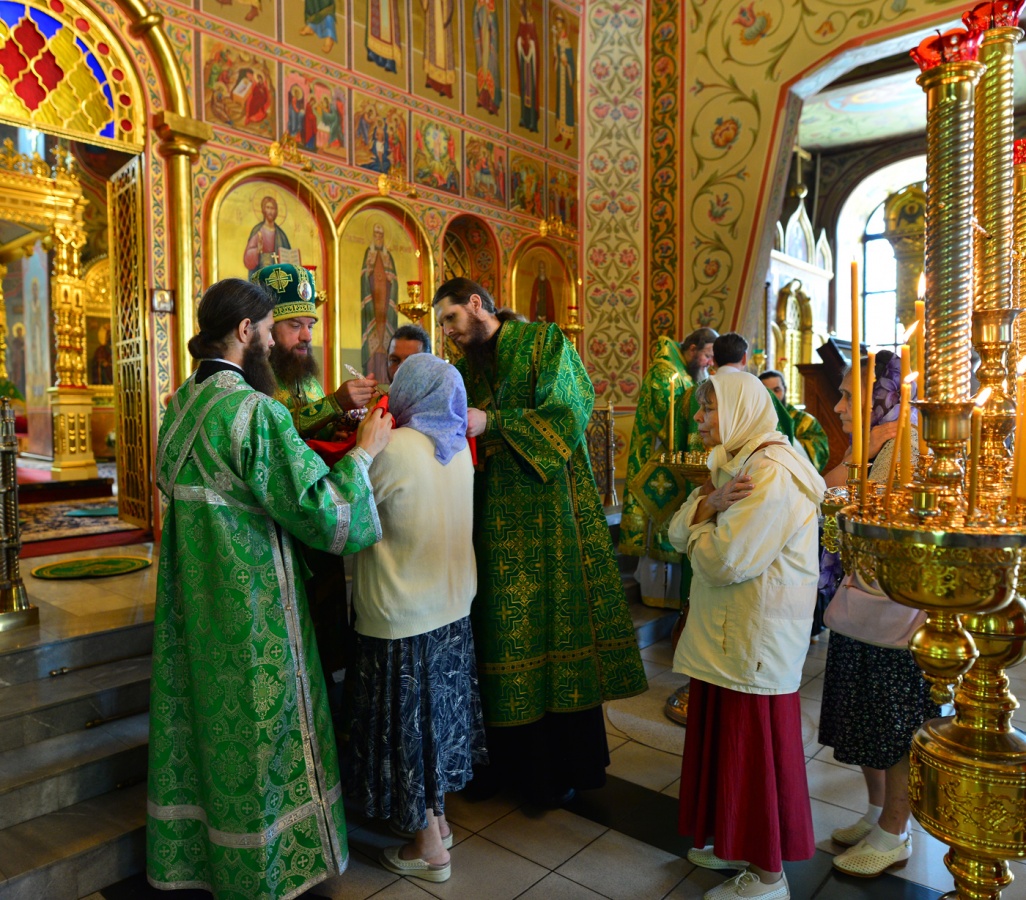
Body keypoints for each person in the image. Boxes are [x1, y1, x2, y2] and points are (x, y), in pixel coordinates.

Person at [146, 278, 392, 900]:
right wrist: (363, 455)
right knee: (261, 734)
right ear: (246, 331)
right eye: (264, 327)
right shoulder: (254, 411)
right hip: (254, 607)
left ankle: (206, 860)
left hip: (195, 606)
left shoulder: (179, 406)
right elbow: (322, 510)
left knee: (205, 728)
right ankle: (268, 870)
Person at [432, 277, 647, 807]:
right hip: (486, 527)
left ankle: (555, 773)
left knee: (552, 633)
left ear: (476, 306)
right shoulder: (463, 371)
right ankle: (503, 769)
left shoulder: (545, 344)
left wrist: (494, 422)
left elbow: (569, 413)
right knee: (496, 638)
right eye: (442, 326)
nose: (449, 334)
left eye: (451, 320)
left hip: (549, 524)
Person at [668, 372, 825, 900]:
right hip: (728, 632)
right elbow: (676, 531)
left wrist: (699, 523)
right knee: (725, 741)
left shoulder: (770, 472)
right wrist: (707, 510)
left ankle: (768, 876)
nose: (698, 419)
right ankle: (734, 841)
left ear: (737, 410)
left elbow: (725, 561)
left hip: (755, 636)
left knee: (755, 750)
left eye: (707, 409)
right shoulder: (732, 463)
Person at [344, 353, 485, 885]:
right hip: (451, 609)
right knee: (439, 719)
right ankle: (440, 820)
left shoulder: (393, 449)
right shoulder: (459, 451)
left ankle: (428, 846)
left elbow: (346, 513)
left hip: (402, 612)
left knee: (410, 726)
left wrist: (361, 451)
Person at [818, 351, 938, 878]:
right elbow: (830, 491)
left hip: (897, 612)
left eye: (849, 394)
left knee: (894, 725)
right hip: (860, 605)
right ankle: (873, 813)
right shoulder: (874, 444)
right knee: (865, 716)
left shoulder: (908, 448)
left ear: (885, 396)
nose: (839, 405)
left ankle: (895, 831)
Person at [253, 262, 378, 682]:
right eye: (296, 326)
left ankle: (331, 699)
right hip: (282, 519)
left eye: (310, 324)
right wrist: (334, 405)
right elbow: (276, 433)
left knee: (327, 615)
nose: (307, 336)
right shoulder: (257, 376)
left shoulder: (302, 374)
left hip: (319, 507)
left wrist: (344, 420)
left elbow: (311, 425)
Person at [619, 327, 717, 609]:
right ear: (692, 349)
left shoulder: (684, 374)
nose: (709, 362)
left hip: (675, 463)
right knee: (660, 522)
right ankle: (657, 593)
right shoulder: (664, 374)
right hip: (657, 464)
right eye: (707, 355)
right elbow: (669, 420)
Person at [758, 369, 830, 473]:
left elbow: (820, 449)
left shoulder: (805, 420)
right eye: (767, 391)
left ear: (785, 390)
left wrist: (783, 446)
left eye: (776, 390)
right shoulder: (756, 421)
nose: (772, 396)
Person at [361, 223, 400, 382]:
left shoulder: (388, 256)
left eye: (380, 235)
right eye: (376, 235)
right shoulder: (368, 253)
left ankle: (385, 377)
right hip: (372, 305)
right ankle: (371, 374)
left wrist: (392, 280)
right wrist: (368, 274)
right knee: (373, 339)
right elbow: (363, 276)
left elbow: (394, 279)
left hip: (385, 303)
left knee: (386, 339)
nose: (378, 238)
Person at [243, 196, 292, 277]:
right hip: (262, 275)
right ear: (263, 210)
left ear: (276, 211)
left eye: (273, 208)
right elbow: (247, 258)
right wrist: (257, 250)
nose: (270, 211)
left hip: (279, 276)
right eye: (268, 207)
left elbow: (289, 259)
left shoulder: (281, 234)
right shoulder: (258, 231)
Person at [551, 9, 575, 149]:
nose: (558, 23)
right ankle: (561, 132)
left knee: (567, 105)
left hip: (566, 77)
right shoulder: (559, 38)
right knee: (560, 104)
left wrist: (567, 64)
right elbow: (556, 55)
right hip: (560, 76)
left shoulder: (566, 42)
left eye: (560, 20)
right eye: (557, 20)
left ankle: (569, 138)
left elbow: (571, 61)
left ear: (563, 23)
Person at [515, 0, 540, 132]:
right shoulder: (521, 22)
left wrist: (531, 46)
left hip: (531, 65)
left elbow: (535, 43)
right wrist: (520, 42)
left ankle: (532, 121)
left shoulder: (531, 23)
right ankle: (523, 118)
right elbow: (518, 39)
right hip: (524, 65)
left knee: (531, 93)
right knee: (524, 91)